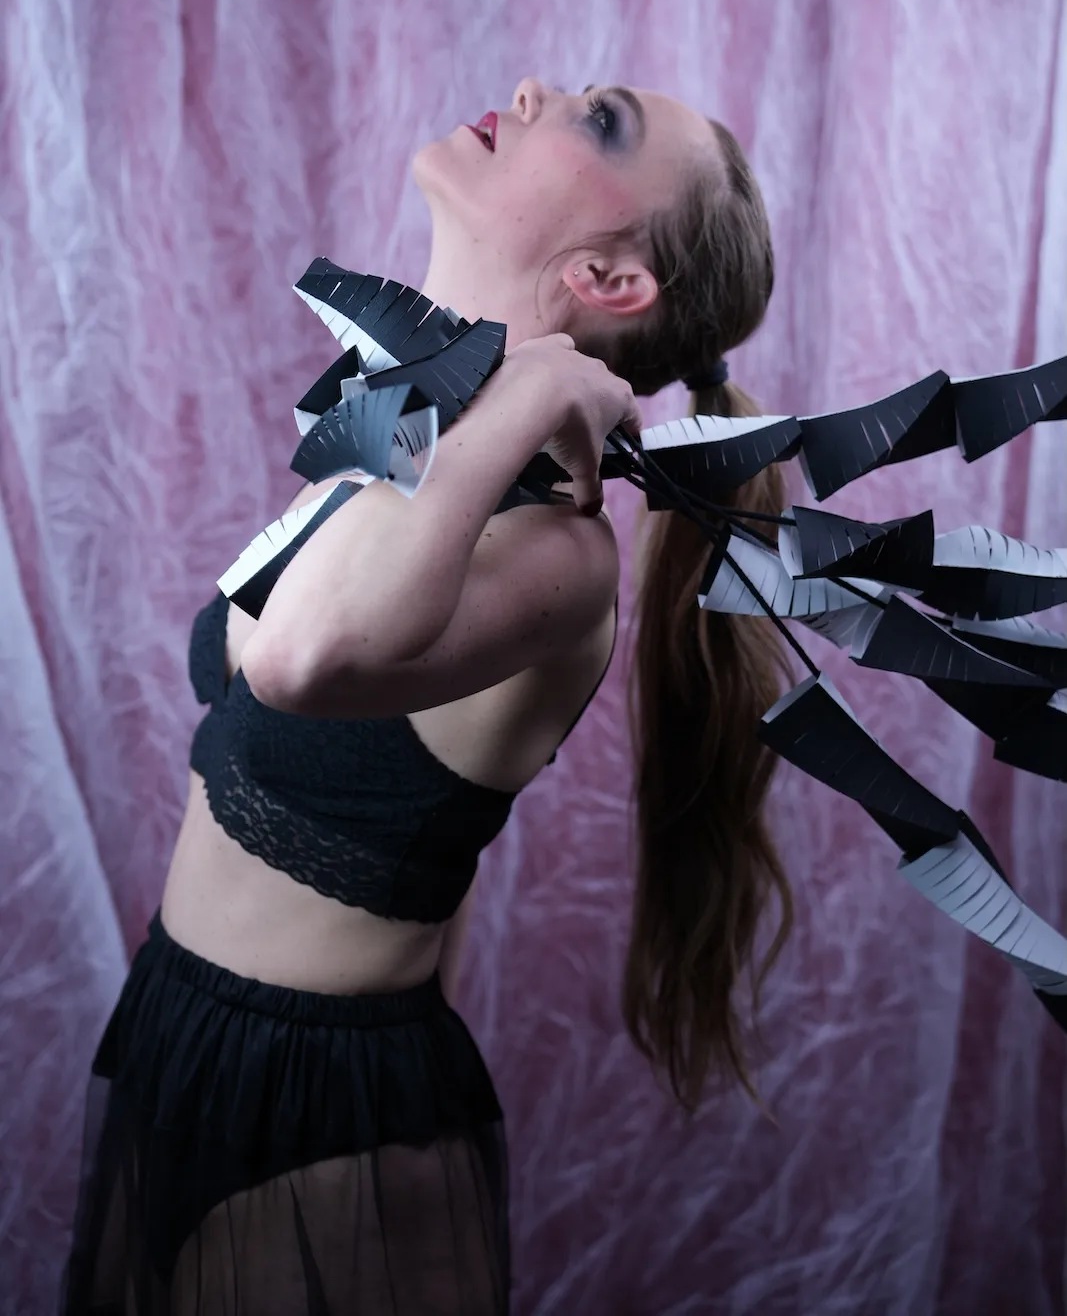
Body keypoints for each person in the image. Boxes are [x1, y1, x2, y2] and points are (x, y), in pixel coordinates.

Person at [62, 78, 792, 1315]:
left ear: (612, 281)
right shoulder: (403, 410)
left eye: (599, 119)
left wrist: (522, 395)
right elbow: (272, 640)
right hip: (182, 1026)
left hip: (324, 1113)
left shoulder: (557, 552)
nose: (531, 89)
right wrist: (495, 389)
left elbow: (299, 663)